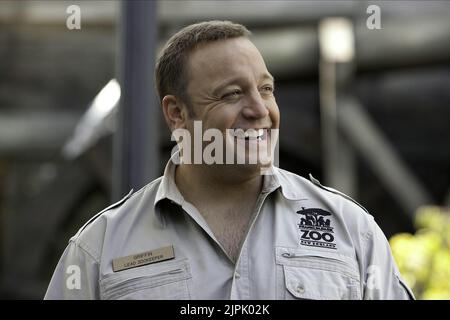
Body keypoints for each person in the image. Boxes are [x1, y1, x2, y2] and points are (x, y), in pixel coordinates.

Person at [45, 20, 414, 300]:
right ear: (176, 114)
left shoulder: (352, 230)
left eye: (266, 89)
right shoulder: (98, 250)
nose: (260, 109)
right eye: (232, 94)